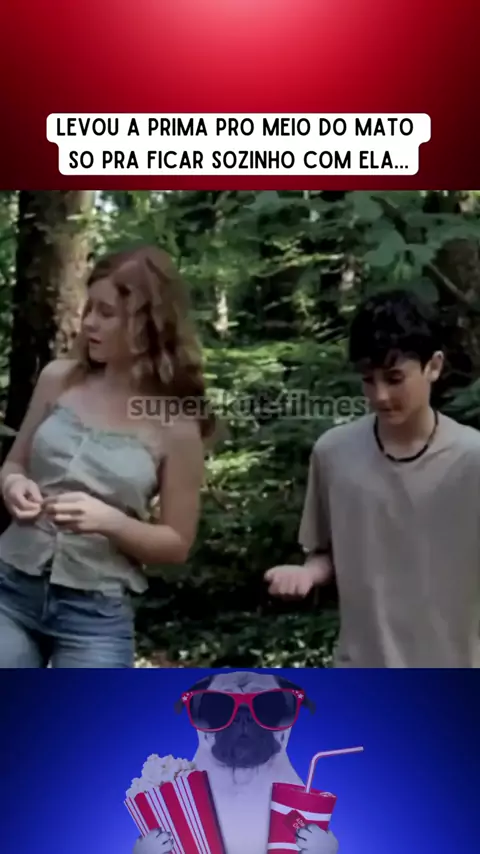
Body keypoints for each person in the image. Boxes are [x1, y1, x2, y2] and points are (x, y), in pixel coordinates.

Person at [0, 245, 213, 668]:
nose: (89, 324)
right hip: (10, 587)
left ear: (147, 323)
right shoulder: (58, 378)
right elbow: (14, 463)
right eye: (89, 310)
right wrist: (13, 483)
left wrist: (108, 521)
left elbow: (176, 543)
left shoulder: (177, 426)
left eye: (107, 313)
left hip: (94, 614)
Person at [265, 288, 480, 668]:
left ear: (433, 366)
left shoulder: (472, 458)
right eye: (368, 380)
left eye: (395, 378)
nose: (380, 395)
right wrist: (308, 574)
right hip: (362, 671)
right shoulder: (334, 453)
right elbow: (326, 551)